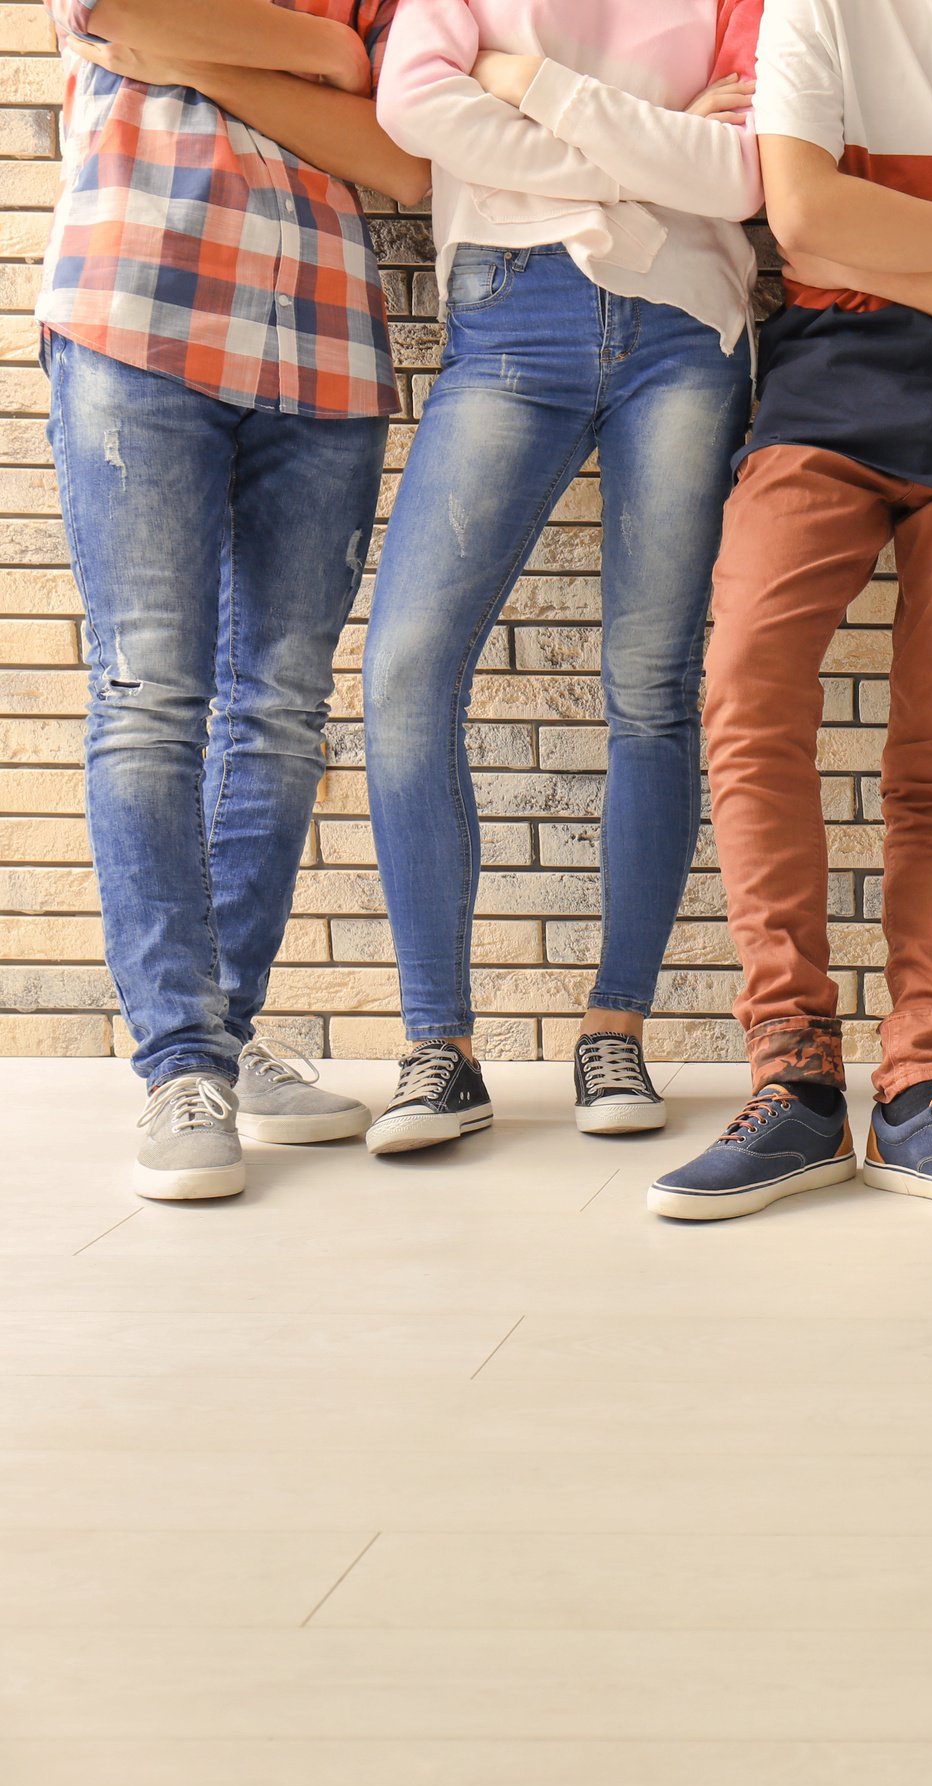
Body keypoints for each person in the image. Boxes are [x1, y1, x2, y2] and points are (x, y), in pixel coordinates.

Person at [647, 0, 932, 1224]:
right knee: (746, 692)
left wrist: (876, 247)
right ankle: (794, 1081)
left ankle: (921, 1093)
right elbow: (804, 220)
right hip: (824, 403)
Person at [360, 0, 764, 1156]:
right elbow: (414, 100)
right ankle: (439, 1047)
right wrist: (643, 161)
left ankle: (615, 1028)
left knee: (650, 685)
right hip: (511, 314)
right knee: (404, 673)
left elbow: (740, 175)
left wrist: (532, 92)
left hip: (685, 323)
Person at [44, 0, 429, 1200]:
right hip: (136, 305)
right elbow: (106, 12)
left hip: (324, 346)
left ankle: (218, 1031)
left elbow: (404, 160)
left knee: (281, 710)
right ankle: (181, 1061)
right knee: (150, 694)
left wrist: (232, 57)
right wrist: (316, 57)